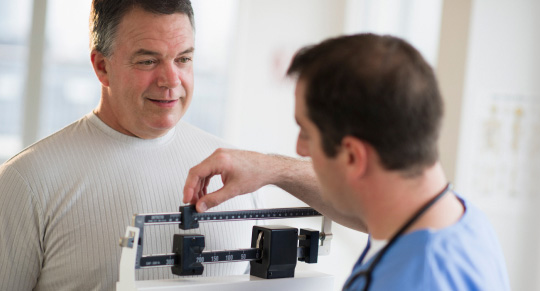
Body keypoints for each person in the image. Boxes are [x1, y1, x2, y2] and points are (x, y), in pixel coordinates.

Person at [183, 34, 511, 290]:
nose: (299, 148)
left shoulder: (417, 280)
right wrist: (270, 168)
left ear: (353, 156)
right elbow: (365, 203)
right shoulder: (457, 222)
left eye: (305, 131)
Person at [0, 1, 262, 290]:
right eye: (148, 61)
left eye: (183, 59)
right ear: (102, 67)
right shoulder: (25, 181)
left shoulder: (236, 176)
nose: (171, 80)